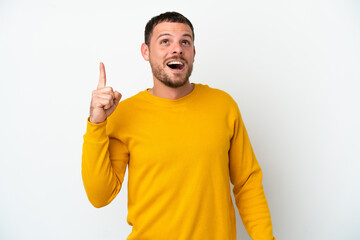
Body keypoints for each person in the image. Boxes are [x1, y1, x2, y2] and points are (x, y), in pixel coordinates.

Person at [82, 11, 276, 240]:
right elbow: (99, 196)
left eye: (185, 41)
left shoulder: (223, 106)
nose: (177, 49)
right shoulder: (124, 113)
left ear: (193, 52)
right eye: (165, 41)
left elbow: (247, 183)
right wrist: (97, 123)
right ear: (146, 52)